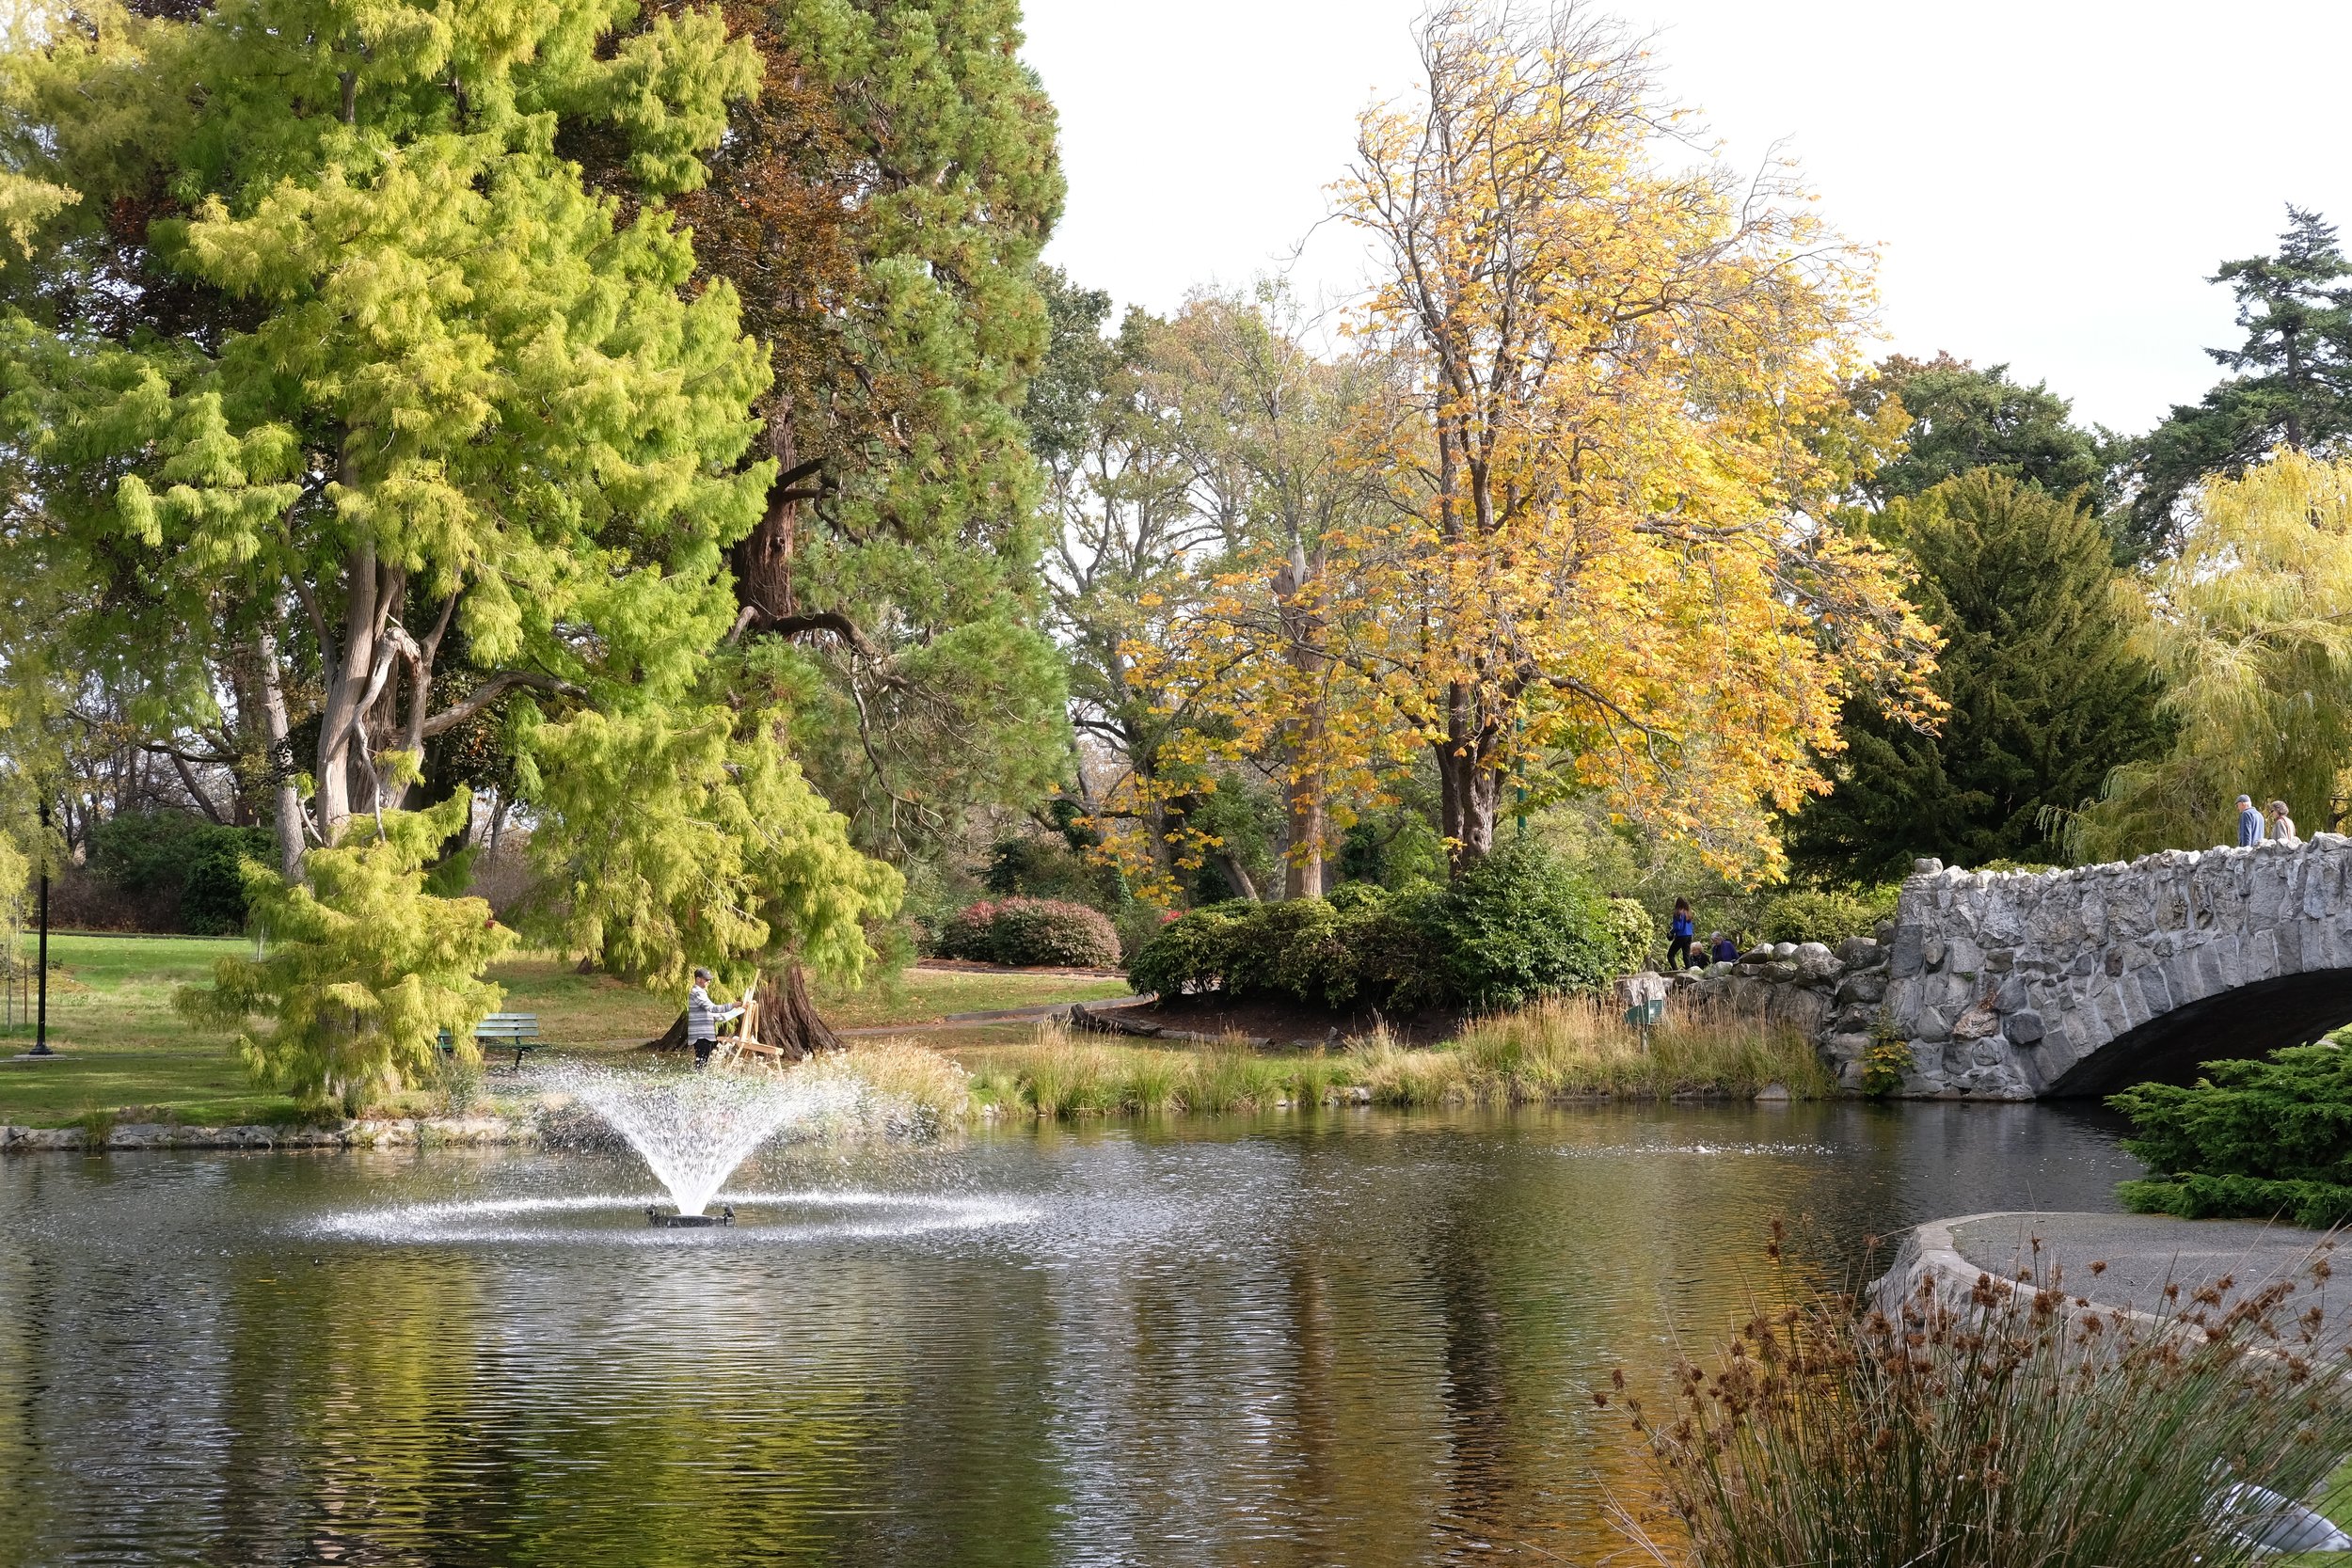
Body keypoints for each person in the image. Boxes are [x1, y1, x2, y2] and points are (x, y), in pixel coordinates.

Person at [686, 967, 741, 1069]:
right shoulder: (697, 993)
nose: (709, 981)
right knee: (701, 1062)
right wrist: (731, 1006)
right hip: (701, 1035)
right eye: (706, 979)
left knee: (703, 1061)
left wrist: (737, 1011)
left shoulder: (701, 993)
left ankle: (699, 1079)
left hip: (704, 1034)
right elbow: (712, 1008)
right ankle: (698, 1080)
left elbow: (710, 1014)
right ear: (698, 979)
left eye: (709, 979)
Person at [1666, 898, 1695, 971]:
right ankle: (1690, 972)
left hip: (1681, 936)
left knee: (1670, 955)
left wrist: (1671, 933)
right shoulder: (1688, 913)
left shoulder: (1678, 913)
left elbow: (1677, 927)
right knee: (1686, 956)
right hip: (1689, 935)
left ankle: (1675, 970)